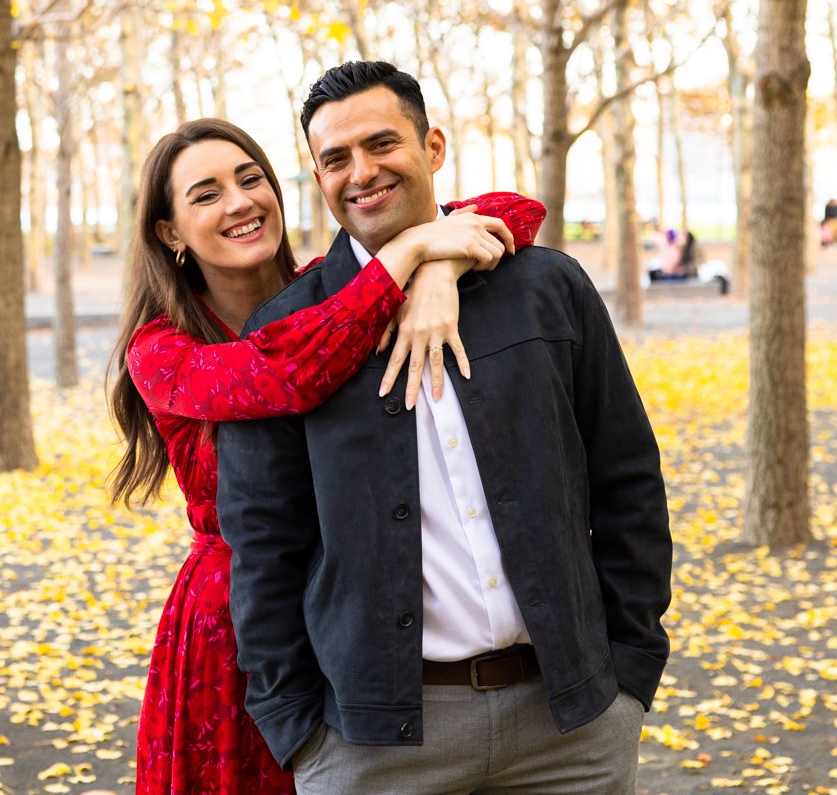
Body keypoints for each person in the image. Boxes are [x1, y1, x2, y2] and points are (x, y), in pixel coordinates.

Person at [218, 61, 672, 795]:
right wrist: (301, 733)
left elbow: (626, 480)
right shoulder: (287, 335)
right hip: (374, 746)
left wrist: (628, 672)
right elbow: (263, 545)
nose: (360, 172)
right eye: (335, 158)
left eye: (381, 144)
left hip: (571, 727)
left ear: (432, 146)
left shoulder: (547, 289)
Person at [111, 117, 546, 795]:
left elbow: (518, 210)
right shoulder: (162, 350)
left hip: (363, 601)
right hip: (238, 627)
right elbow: (282, 372)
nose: (239, 201)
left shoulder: (331, 286)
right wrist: (404, 260)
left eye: (250, 178)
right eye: (206, 193)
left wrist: (442, 264)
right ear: (168, 231)